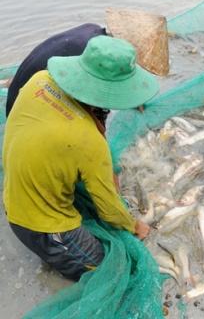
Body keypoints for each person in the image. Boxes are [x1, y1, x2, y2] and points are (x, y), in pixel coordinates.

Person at [2, 35, 160, 281]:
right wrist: (137, 226)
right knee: (113, 272)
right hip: (42, 228)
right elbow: (109, 211)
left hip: (11, 196)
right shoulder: (89, 142)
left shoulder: (40, 81)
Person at [6, 7, 169, 119]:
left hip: (29, 83)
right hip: (25, 106)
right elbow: (90, 101)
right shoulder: (86, 53)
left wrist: (135, 98)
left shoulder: (92, 31)